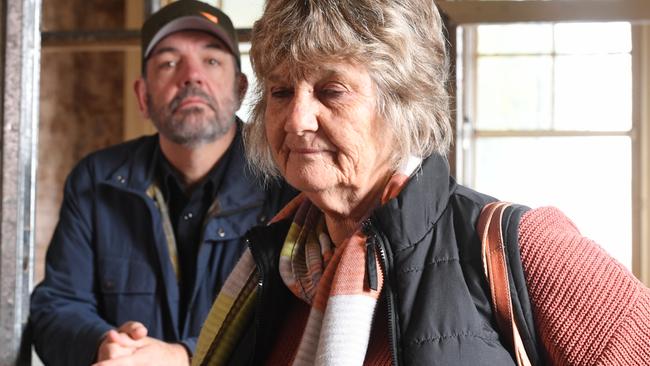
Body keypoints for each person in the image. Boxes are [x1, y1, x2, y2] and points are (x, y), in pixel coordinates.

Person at [190, 0, 650, 365]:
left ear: (404, 102)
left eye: (331, 91)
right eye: (281, 91)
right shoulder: (275, 268)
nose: (297, 119)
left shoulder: (526, 248)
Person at [29, 1, 295, 365]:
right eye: (169, 63)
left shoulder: (286, 180)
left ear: (240, 88)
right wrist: (104, 344)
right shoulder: (96, 180)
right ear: (142, 96)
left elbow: (294, 317)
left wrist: (186, 356)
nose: (191, 76)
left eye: (212, 60)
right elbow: (56, 307)